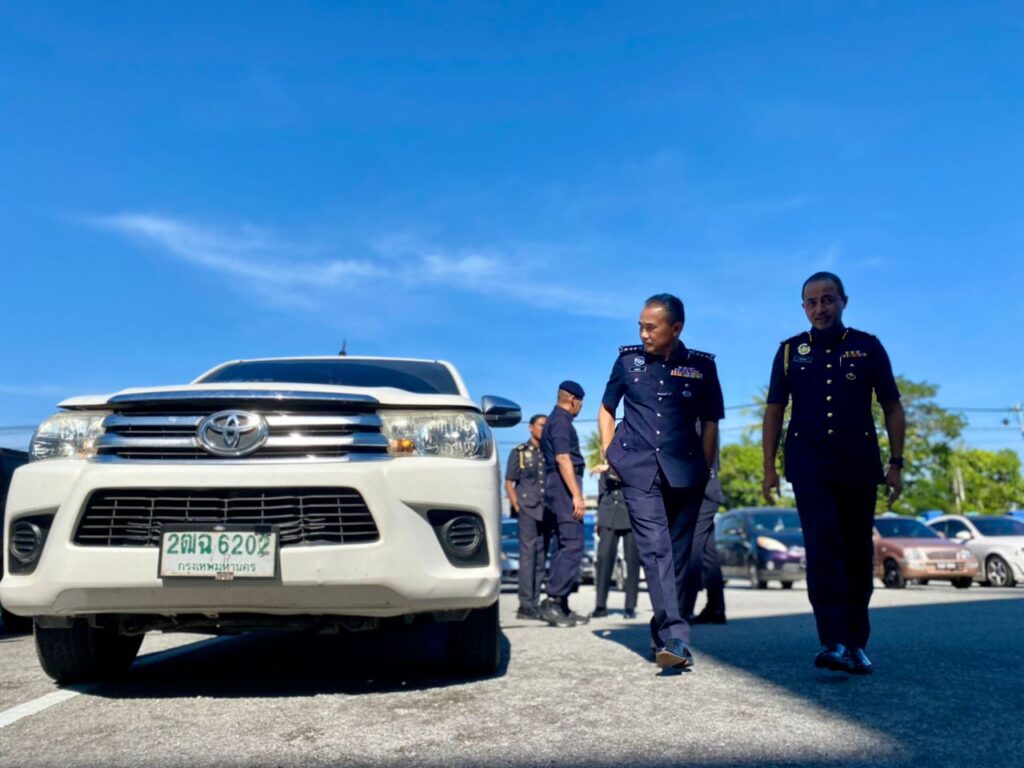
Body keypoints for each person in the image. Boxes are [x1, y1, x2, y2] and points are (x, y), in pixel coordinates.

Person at [762, 271, 905, 675]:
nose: (820, 308)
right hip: (809, 464)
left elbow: (892, 406)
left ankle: (856, 643)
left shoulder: (867, 346)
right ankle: (833, 641)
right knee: (823, 549)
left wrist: (896, 463)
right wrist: (769, 467)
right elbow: (774, 411)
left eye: (828, 299)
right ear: (803, 307)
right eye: (811, 302)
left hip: (858, 463)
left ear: (844, 301)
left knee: (857, 551)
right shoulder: (790, 351)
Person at [599, 294, 724, 669]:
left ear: (676, 328)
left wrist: (703, 468)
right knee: (655, 549)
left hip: (685, 472)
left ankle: (662, 636)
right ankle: (676, 636)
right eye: (640, 326)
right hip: (638, 469)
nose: (643, 334)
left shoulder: (701, 367)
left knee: (679, 558)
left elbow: (711, 421)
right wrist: (610, 453)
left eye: (651, 327)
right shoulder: (628, 362)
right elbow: (606, 408)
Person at [539, 381, 589, 628]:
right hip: (563, 485)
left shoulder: (556, 420)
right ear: (573, 400)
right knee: (572, 543)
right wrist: (576, 495)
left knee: (562, 544)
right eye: (581, 403)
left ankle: (562, 605)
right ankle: (553, 601)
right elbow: (562, 458)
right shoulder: (560, 421)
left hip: (558, 484)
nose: (581, 407)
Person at [504, 414, 550, 620]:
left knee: (541, 557)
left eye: (546, 426)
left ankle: (536, 602)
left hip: (546, 510)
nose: (544, 429)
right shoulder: (520, 452)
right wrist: (516, 505)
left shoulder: (550, 452)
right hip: (527, 509)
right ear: (531, 428)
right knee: (528, 556)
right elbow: (509, 482)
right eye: (541, 425)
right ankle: (525, 604)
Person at [589, 465, 640, 619]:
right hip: (609, 511)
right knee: (603, 557)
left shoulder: (630, 459)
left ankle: (630, 606)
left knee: (632, 560)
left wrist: (611, 466)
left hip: (630, 511)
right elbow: (602, 490)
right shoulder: (605, 463)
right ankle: (600, 605)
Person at [684, 448, 727, 625]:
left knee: (692, 548)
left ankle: (685, 608)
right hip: (707, 489)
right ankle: (716, 608)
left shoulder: (699, 427)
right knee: (709, 552)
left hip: (701, 491)